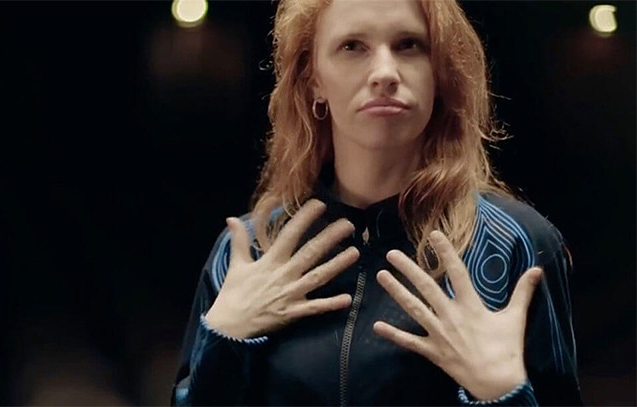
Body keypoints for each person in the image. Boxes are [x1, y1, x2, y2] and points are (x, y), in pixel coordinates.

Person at [171, 0, 584, 405]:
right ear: (314, 79)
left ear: (440, 73)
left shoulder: (514, 244)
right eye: (352, 46)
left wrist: (504, 394)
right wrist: (221, 343)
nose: (385, 73)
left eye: (409, 45)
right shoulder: (250, 252)